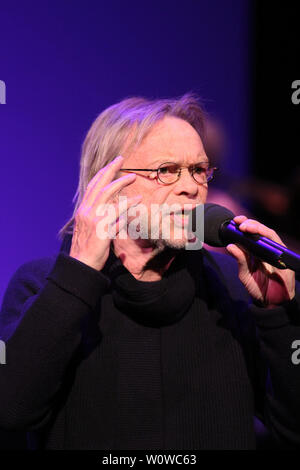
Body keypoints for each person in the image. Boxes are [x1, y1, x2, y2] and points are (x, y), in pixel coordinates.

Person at [0, 93, 299, 450]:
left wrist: (277, 317)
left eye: (199, 170)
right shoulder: (44, 285)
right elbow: (11, 411)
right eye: (166, 171)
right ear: (107, 185)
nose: (191, 187)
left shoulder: (232, 286)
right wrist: (75, 276)